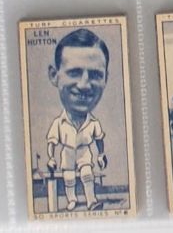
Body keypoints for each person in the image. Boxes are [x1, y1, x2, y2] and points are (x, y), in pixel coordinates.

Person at [46, 28, 109, 211]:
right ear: (54, 76)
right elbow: (52, 142)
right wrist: (51, 158)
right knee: (69, 177)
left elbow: (99, 140)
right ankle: (72, 200)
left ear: (106, 79)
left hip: (84, 152)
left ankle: (91, 201)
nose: (84, 85)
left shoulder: (93, 123)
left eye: (96, 75)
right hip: (67, 152)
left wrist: (101, 154)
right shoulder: (58, 123)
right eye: (74, 72)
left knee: (87, 174)